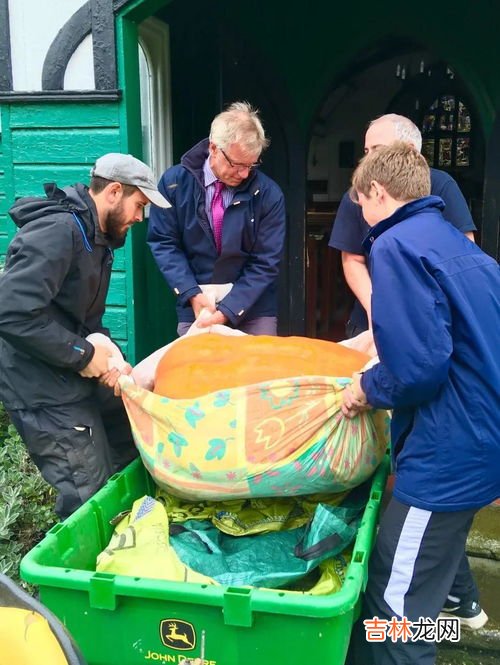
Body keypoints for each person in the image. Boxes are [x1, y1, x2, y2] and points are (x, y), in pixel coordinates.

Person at [341, 142, 500, 665]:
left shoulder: (396, 245)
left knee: (395, 601)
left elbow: (418, 368)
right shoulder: (460, 246)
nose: (360, 217)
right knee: (427, 581)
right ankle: (450, 620)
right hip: (481, 445)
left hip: (444, 457)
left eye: (361, 203)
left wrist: (365, 389)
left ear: (379, 192)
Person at [0, 153, 170, 519]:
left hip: (66, 369)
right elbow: (11, 313)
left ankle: (132, 540)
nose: (139, 218)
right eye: (138, 205)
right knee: (89, 492)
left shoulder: (97, 240)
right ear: (113, 192)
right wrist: (83, 354)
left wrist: (111, 358)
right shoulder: (59, 232)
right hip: (38, 384)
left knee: (131, 436)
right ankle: (80, 571)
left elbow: (83, 319)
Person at [329, 113, 476, 337]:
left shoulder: (442, 185)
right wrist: (376, 311)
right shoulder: (359, 192)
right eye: (366, 151)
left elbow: (464, 255)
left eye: (377, 149)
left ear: (409, 149)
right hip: (370, 315)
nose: (368, 159)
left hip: (434, 322)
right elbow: (352, 259)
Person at [147, 101, 286, 336]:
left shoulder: (269, 194)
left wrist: (229, 310)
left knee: (259, 372)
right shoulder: (174, 184)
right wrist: (190, 293)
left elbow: (266, 262)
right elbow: (164, 243)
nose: (244, 174)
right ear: (213, 148)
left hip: (254, 308)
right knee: (196, 371)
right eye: (237, 164)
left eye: (251, 165)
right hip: (195, 304)